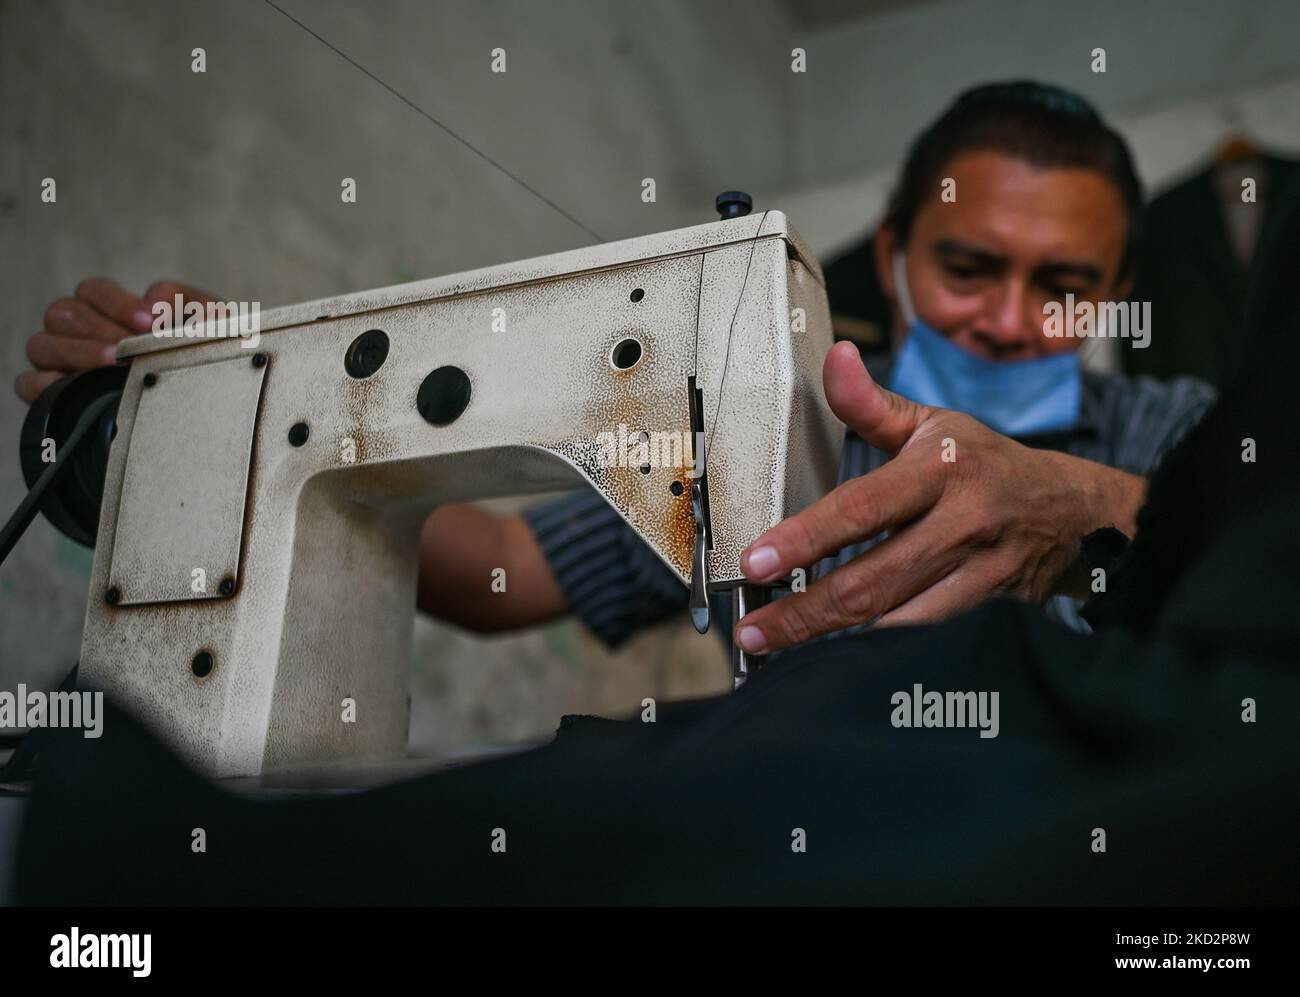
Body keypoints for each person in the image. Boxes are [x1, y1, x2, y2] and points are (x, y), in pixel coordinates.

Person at [14, 82, 1215, 656]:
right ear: (894, 253)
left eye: (1061, 285)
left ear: (1110, 292)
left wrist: (1094, 500)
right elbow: (500, 576)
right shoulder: (780, 408)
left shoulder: (1181, 429)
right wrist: (260, 415)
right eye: (969, 266)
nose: (1009, 319)